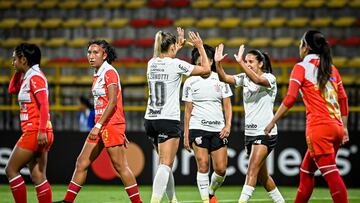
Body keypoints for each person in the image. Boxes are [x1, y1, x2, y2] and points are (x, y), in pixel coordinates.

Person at [264, 30, 349, 203]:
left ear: (306, 47)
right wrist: (345, 128)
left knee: (331, 174)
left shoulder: (301, 67)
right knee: (306, 170)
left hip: (319, 128)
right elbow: (343, 99)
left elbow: (290, 98)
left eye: (301, 43)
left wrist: (272, 121)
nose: (299, 46)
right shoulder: (332, 68)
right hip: (337, 127)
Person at [55, 40, 142, 203]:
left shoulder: (109, 72)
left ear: (104, 55)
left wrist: (101, 126)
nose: (91, 56)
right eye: (89, 52)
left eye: (96, 52)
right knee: (81, 162)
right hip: (102, 125)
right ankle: (67, 201)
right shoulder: (98, 74)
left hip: (108, 125)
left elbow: (113, 102)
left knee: (120, 166)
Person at [144, 27, 211, 203]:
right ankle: (155, 201)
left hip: (150, 119)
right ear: (171, 47)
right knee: (165, 165)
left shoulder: (151, 62)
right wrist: (200, 47)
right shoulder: (176, 64)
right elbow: (206, 70)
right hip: (167, 119)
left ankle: (173, 200)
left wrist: (176, 47)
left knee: (165, 165)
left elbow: (166, 60)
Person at [215, 44, 285, 203]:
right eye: (246, 61)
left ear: (261, 63)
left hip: (265, 133)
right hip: (250, 134)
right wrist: (218, 63)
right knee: (263, 176)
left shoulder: (269, 78)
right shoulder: (244, 77)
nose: (247, 64)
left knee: (251, 170)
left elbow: (257, 79)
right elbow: (224, 78)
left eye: (250, 61)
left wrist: (239, 62)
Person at [182, 44, 232, 203]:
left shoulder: (221, 78)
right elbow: (188, 111)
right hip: (198, 128)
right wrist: (186, 134)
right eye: (198, 62)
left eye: (205, 60)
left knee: (221, 169)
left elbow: (227, 105)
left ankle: (210, 192)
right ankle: (205, 200)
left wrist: (228, 125)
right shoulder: (190, 82)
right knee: (203, 165)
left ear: (211, 61)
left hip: (218, 129)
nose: (202, 63)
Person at [6, 43, 53, 203]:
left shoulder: (35, 77)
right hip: (38, 130)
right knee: (38, 175)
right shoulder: (28, 75)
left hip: (35, 131)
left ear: (24, 59)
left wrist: (41, 131)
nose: (12, 62)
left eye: (15, 59)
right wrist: (18, 71)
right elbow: (12, 89)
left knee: (11, 169)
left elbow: (44, 104)